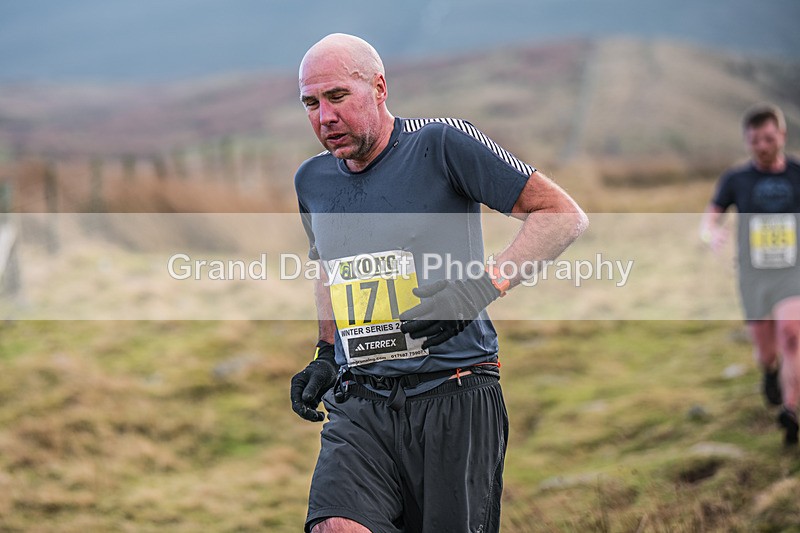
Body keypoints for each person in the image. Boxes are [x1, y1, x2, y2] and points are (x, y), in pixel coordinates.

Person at [289, 33, 588, 532]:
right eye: (311, 103)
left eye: (338, 96)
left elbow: (560, 215)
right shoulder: (311, 180)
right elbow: (327, 267)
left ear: (379, 87)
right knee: (336, 526)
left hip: (454, 393)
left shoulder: (441, 143)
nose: (324, 116)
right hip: (361, 401)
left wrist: (476, 290)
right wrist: (325, 352)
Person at [700, 103, 800, 447]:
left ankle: (791, 411)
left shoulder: (798, 174)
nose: (762, 146)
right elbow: (710, 216)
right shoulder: (736, 179)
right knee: (766, 350)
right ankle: (769, 371)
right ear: (747, 141)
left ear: (781, 136)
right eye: (754, 140)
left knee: (792, 335)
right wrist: (712, 233)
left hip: (793, 272)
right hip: (753, 276)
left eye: (768, 138)